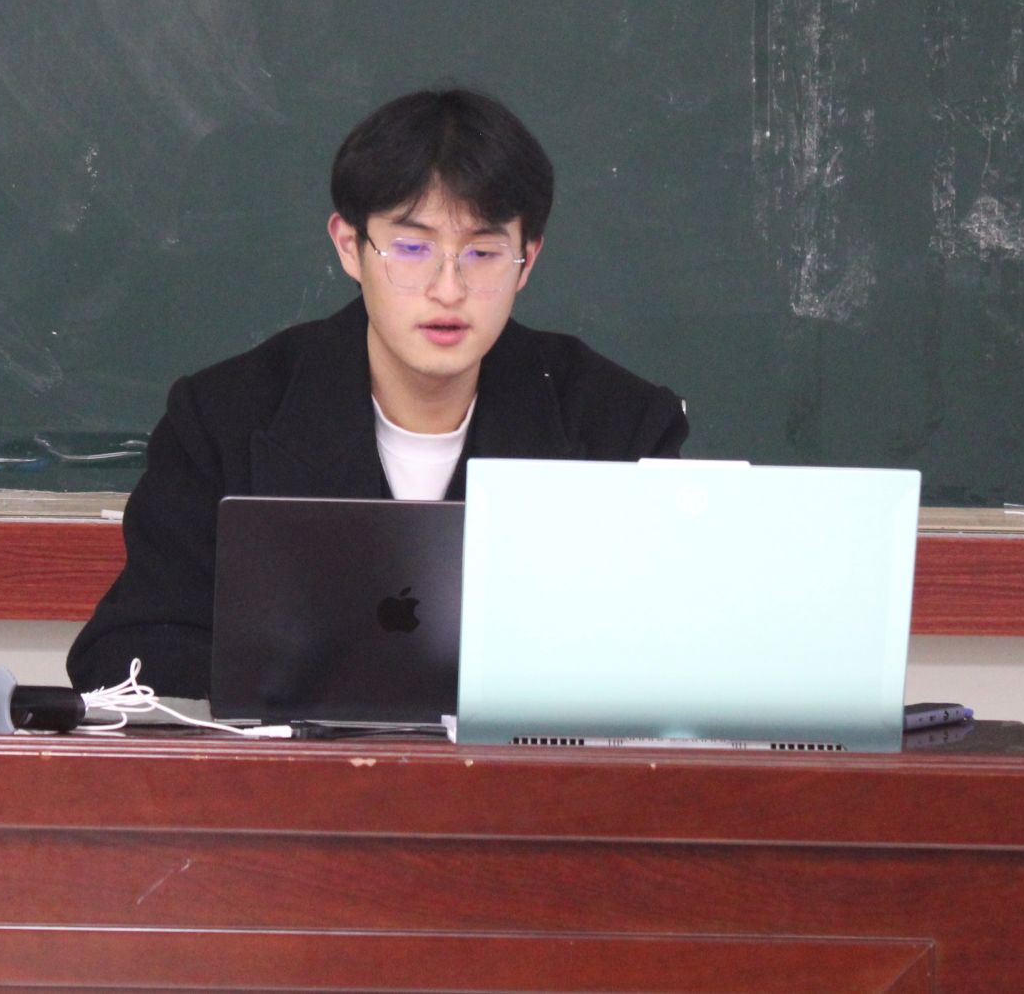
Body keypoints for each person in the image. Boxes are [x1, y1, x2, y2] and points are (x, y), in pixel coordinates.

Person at [66, 87, 687, 696]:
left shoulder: (620, 427)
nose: (448, 288)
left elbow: (672, 660)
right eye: (412, 248)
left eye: (483, 252)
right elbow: (127, 655)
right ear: (349, 247)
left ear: (529, 257)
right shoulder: (222, 418)